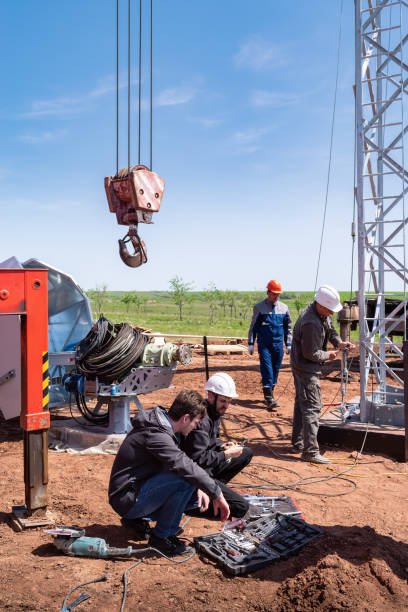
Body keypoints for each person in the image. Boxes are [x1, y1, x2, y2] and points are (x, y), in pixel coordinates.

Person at [108, 389, 230, 557]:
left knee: (194, 497)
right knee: (185, 479)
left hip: (135, 489)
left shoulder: (162, 426)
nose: (196, 427)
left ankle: (143, 521)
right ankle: (162, 538)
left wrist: (203, 487)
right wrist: (216, 492)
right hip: (127, 498)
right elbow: (183, 465)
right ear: (185, 418)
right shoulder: (157, 435)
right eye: (196, 422)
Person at [290, 285, 355, 464]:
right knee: (312, 406)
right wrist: (329, 355)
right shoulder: (311, 321)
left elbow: (331, 329)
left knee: (301, 403)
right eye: (330, 310)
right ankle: (310, 451)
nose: (332, 313)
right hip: (305, 368)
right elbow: (310, 353)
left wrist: (339, 343)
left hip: (302, 366)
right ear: (321, 305)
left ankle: (298, 442)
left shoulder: (319, 313)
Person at [181, 372, 253, 519]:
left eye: (228, 401)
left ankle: (215, 487)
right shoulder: (202, 421)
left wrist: (222, 445)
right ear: (211, 396)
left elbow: (210, 442)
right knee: (241, 508)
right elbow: (197, 459)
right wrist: (225, 454)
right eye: (223, 401)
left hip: (206, 467)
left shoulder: (215, 414)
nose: (226, 406)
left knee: (245, 452)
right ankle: (194, 503)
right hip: (194, 475)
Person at [248, 279, 292, 410]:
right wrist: (251, 342)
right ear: (268, 293)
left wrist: (288, 343)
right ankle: (269, 398)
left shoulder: (284, 308)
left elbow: (288, 327)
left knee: (275, 369)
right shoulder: (259, 308)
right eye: (273, 294)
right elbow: (253, 327)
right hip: (264, 344)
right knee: (267, 368)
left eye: (278, 294)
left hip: (278, 345)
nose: (276, 296)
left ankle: (270, 392)